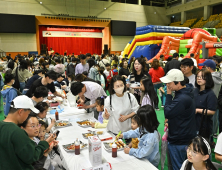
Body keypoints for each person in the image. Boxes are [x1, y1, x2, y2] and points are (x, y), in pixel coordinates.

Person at [0, 95, 55, 170]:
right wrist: (45, 143)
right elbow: (31, 157)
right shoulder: (17, 132)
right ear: (21, 111)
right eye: (28, 113)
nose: (27, 117)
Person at [160, 69, 197, 170]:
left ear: (178, 82)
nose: (167, 85)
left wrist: (168, 94)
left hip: (179, 140)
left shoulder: (182, 98)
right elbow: (179, 112)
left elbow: (167, 112)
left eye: (169, 82)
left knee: (178, 167)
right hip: (185, 135)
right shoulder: (186, 92)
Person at [199, 59, 222, 138]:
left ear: (208, 68)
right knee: (214, 120)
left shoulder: (209, 78)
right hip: (216, 101)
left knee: (207, 123)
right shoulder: (218, 76)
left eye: (204, 67)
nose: (202, 68)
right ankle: (213, 135)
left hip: (207, 102)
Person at [194, 69, 217, 140]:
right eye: (198, 77)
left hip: (204, 125)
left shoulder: (210, 94)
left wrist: (198, 110)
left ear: (208, 79)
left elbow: (212, 111)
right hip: (193, 123)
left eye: (202, 77)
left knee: (201, 147)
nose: (199, 79)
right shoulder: (194, 91)